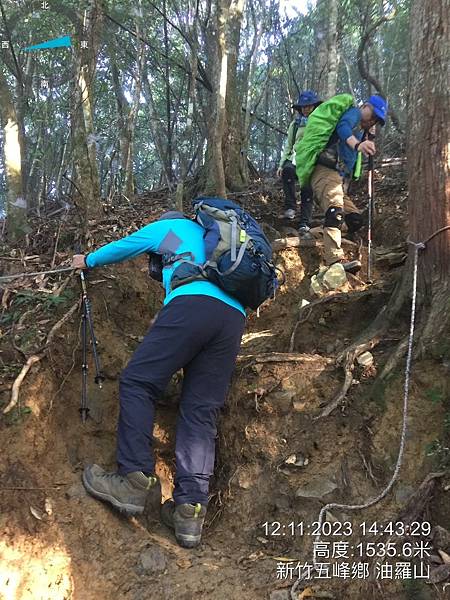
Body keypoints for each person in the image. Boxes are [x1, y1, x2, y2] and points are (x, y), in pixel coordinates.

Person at [71, 211, 246, 548]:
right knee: (200, 410)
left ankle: (133, 479)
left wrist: (88, 260)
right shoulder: (216, 246)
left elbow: (126, 246)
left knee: (138, 381)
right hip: (232, 317)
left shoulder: (173, 229)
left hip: (193, 304)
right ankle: (190, 511)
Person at [308, 95, 388, 272]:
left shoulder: (361, 130)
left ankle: (312, 234)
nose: (372, 121)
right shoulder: (353, 113)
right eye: (373, 115)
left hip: (337, 176)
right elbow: (342, 127)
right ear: (366, 106)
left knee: (354, 219)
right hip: (324, 169)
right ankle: (334, 261)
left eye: (377, 120)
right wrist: (358, 144)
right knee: (335, 210)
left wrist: (367, 137)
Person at [277, 90, 321, 233]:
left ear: (314, 106)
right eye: (303, 107)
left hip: (312, 160)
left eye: (309, 106)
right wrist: (281, 164)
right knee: (287, 171)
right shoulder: (295, 125)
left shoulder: (321, 123)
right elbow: (288, 145)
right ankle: (290, 207)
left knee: (307, 188)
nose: (306, 109)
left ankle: (304, 222)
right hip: (295, 158)